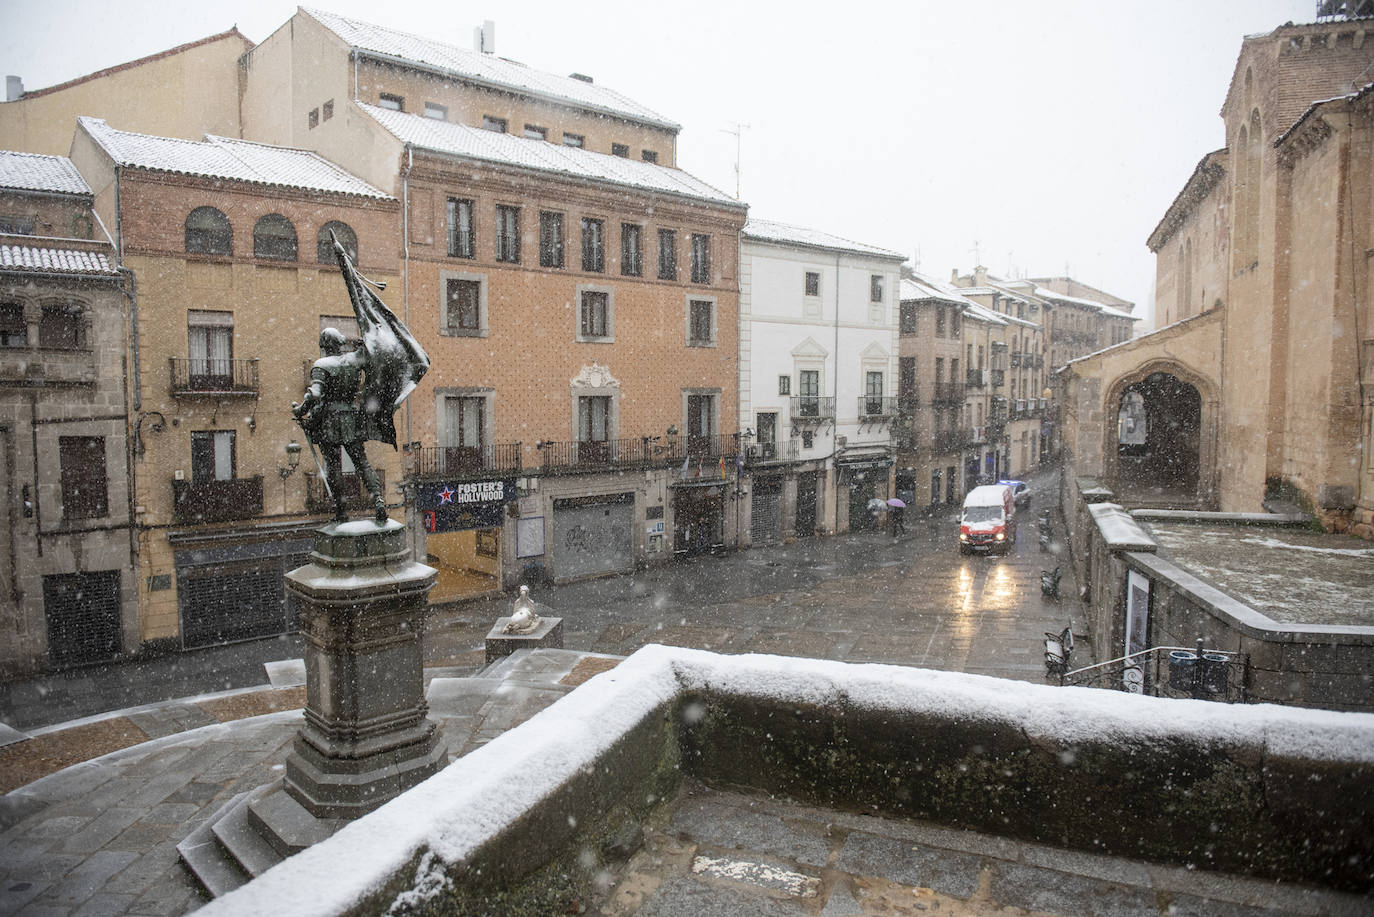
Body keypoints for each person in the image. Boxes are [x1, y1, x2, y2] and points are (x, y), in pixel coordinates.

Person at [293, 328, 387, 523]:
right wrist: (365, 342)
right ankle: (378, 500)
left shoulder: (321, 365)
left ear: (325, 346)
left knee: (334, 466)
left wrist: (300, 410)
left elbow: (316, 394)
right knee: (362, 462)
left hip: (330, 420)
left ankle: (342, 511)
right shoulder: (355, 359)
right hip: (351, 417)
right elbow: (373, 353)